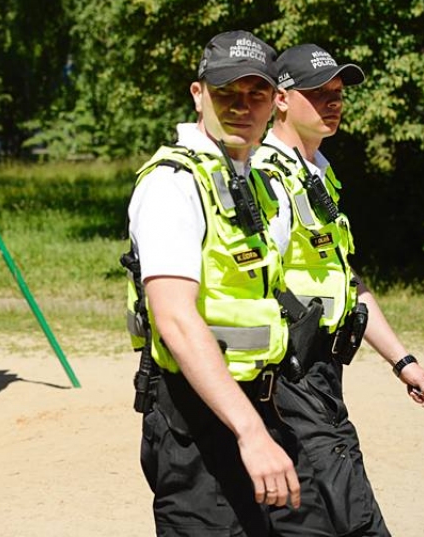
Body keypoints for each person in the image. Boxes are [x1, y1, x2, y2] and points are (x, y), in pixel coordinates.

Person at [126, 30, 335, 535]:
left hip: (265, 409)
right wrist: (248, 431)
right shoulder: (172, 184)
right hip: (196, 424)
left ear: (273, 103)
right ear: (198, 94)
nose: (242, 106)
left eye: (255, 94)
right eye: (226, 93)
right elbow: (175, 317)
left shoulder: (259, 184)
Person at [251, 44, 424, 535]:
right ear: (282, 100)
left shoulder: (319, 171)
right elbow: (250, 283)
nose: (333, 102)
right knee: (344, 517)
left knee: (320, 511)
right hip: (290, 375)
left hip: (323, 372)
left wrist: (403, 360)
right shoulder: (265, 177)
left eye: (337, 93)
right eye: (318, 93)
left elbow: (344, 277)